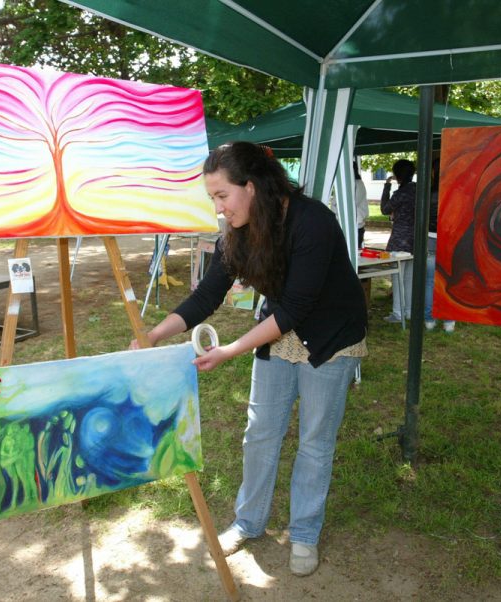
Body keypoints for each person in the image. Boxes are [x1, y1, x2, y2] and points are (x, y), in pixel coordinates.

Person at [130, 142, 368, 576]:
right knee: (260, 433)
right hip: (277, 332)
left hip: (332, 338)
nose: (219, 209)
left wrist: (229, 351)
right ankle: (249, 522)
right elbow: (209, 293)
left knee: (315, 443)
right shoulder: (239, 229)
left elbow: (294, 308)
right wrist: (155, 333)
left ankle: (304, 535)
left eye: (222, 196)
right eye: (212, 199)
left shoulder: (313, 221)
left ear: (253, 187)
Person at [380, 159, 416, 324]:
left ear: (397, 175)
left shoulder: (401, 193)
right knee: (409, 277)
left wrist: (387, 186)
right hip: (416, 239)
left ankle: (397, 313)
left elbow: (384, 209)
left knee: (397, 277)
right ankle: (408, 311)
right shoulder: (418, 190)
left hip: (400, 239)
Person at [425, 158, 455, 333]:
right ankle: (448, 322)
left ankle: (429, 320)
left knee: (429, 282)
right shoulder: (454, 191)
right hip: (448, 239)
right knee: (449, 281)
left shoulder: (428, 193)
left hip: (430, 238)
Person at [353, 160, 369, 249]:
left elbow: (351, 204)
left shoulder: (357, 184)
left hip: (355, 225)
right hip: (355, 224)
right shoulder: (356, 183)